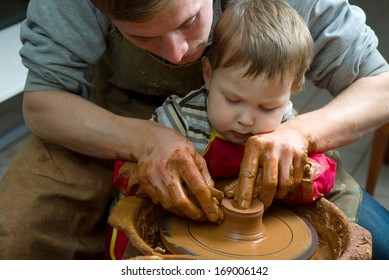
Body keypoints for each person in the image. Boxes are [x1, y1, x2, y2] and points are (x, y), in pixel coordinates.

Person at [0, 0, 388, 259]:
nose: (177, 53)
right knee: (17, 240)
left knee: (377, 243)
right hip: (109, 120)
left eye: (189, 23)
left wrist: (298, 133)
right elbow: (42, 102)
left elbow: (380, 86)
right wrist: (140, 139)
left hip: (266, 132)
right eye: (142, 36)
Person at [107, 0, 336, 260]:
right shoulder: (178, 119)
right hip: (182, 234)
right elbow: (125, 171)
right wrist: (152, 183)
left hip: (250, 244)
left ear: (290, 93)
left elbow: (324, 173)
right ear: (208, 74)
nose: (247, 120)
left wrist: (300, 179)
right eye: (233, 100)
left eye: (267, 106)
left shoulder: (285, 125)